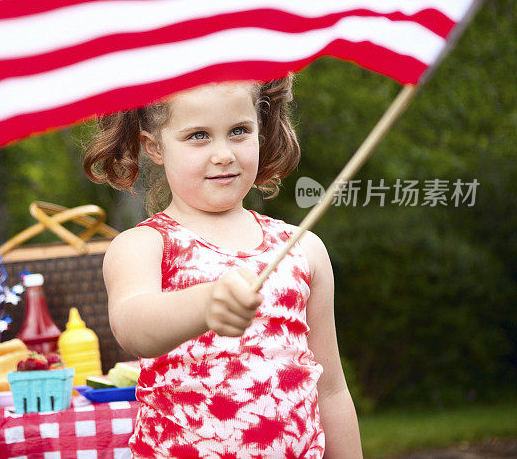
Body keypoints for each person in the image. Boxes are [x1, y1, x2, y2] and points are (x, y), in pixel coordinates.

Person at [83, 76, 363, 458]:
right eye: (198, 135)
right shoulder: (145, 245)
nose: (224, 154)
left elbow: (330, 389)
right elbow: (132, 325)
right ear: (154, 146)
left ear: (260, 131)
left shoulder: (302, 248)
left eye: (239, 131)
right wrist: (203, 305)